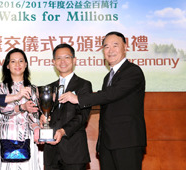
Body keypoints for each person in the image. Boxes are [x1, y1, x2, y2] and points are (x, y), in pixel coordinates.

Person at [59, 31, 147, 170]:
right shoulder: (108, 77)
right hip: (107, 143)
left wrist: (78, 98)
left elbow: (110, 94)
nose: (110, 50)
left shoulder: (132, 71)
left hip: (127, 141)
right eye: (106, 47)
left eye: (115, 45)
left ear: (125, 47)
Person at [41, 43, 92, 170]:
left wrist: (63, 131)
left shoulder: (84, 85)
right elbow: (45, 113)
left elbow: (82, 116)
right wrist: (41, 117)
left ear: (74, 60)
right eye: (58, 58)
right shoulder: (49, 87)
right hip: (51, 151)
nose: (62, 61)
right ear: (53, 62)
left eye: (67, 57)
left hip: (74, 151)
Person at [0, 48, 41, 170]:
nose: (17, 64)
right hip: (6, 136)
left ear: (25, 64)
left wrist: (36, 127)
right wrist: (21, 107)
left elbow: (33, 113)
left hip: (27, 138)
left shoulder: (33, 89)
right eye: (13, 61)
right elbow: (3, 110)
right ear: (7, 65)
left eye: (21, 61)